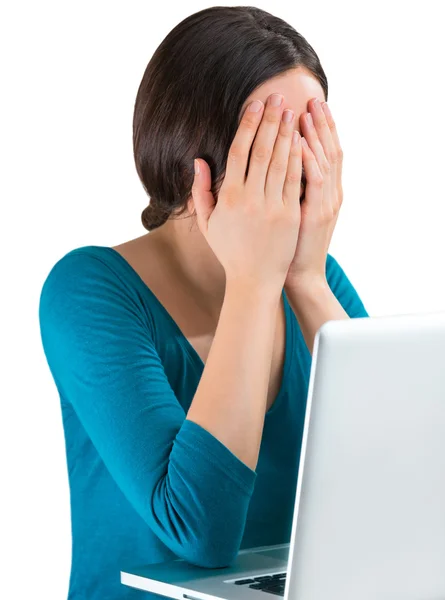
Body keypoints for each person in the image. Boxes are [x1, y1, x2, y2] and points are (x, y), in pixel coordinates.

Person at [38, 6, 369, 599]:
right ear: (199, 159)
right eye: (268, 143)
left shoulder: (317, 279)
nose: (298, 167)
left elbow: (403, 486)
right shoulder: (88, 290)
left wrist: (308, 282)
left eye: (311, 137)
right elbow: (199, 531)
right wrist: (252, 282)